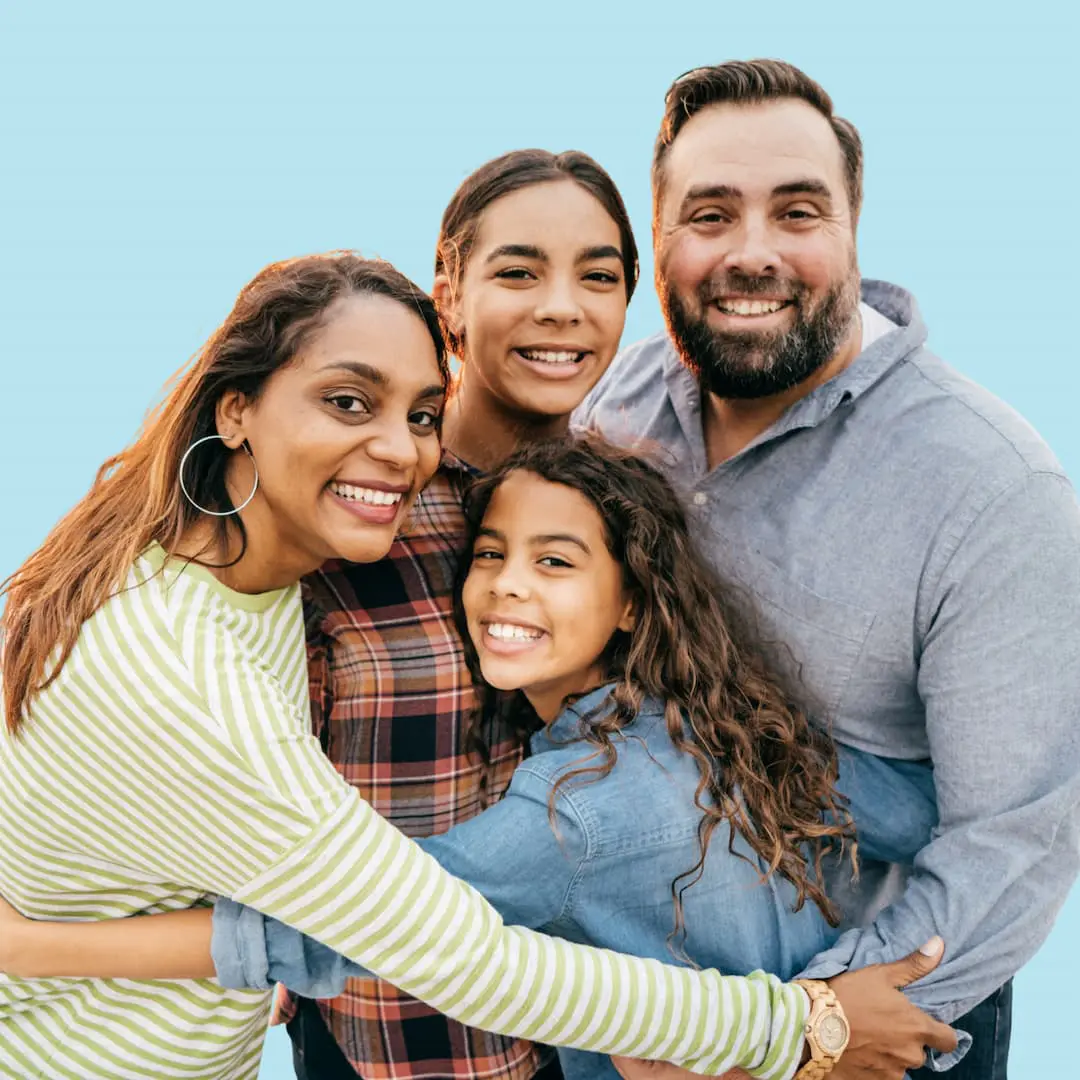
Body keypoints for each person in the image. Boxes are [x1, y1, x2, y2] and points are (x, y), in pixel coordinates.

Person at [0, 250, 839, 1080]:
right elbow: (465, 956)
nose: (400, 450)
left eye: (424, 415)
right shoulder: (184, 674)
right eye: (347, 401)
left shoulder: (223, 572)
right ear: (236, 412)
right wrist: (795, 1026)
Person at [0, 435, 960, 1080]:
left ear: (632, 601)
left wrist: (40, 949)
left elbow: (342, 932)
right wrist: (836, 980)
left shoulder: (572, 810)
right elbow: (915, 817)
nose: (504, 589)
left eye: (556, 562)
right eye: (490, 554)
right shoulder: (745, 723)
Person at [570, 59, 1080, 1080]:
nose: (751, 253)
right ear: (659, 239)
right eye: (709, 215)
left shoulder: (992, 486)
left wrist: (802, 1030)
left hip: (861, 1037)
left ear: (852, 228)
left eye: (796, 212)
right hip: (622, 1018)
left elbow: (1014, 843)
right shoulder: (620, 404)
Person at [280, 148, 641, 1080]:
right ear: (450, 296)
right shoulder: (361, 505)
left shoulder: (629, 514)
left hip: (593, 1028)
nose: (562, 306)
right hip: (387, 1034)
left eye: (598, 277)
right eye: (518, 271)